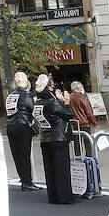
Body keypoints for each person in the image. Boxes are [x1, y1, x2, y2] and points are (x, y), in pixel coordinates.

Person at [36, 74, 74, 205]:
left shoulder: (37, 102)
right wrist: (67, 102)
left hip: (45, 138)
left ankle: (53, 196)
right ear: (49, 87)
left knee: (50, 170)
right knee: (62, 170)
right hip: (58, 137)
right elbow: (68, 114)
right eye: (52, 85)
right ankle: (64, 197)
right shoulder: (52, 102)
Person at [5, 71, 40, 191]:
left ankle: (23, 178)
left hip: (10, 127)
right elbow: (33, 109)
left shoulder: (10, 95)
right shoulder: (26, 96)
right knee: (25, 155)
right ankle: (27, 182)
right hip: (22, 126)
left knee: (17, 155)